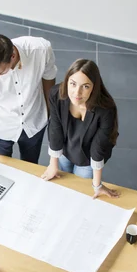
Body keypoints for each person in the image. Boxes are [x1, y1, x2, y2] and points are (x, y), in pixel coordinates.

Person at [0, 34, 57, 173]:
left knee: (30, 169)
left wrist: (49, 112)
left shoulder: (41, 49)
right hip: (0, 127)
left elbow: (49, 77)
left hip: (34, 122)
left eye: (1, 72)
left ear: (12, 56)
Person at [41, 58, 119, 199]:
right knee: (60, 188)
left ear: (94, 88)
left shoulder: (106, 110)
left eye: (85, 86)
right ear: (67, 81)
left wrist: (97, 185)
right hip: (65, 149)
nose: (77, 92)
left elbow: (98, 146)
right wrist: (53, 164)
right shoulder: (56, 94)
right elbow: (55, 129)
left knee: (79, 193)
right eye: (73, 84)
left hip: (87, 159)